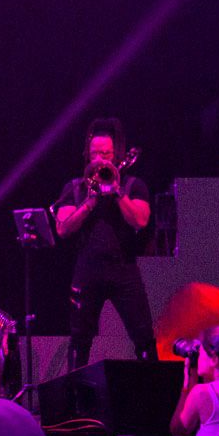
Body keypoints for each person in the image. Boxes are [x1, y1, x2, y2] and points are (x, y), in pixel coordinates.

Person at [52, 117, 155, 369]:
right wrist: (90, 202)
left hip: (124, 270)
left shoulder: (133, 185)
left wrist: (117, 191)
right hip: (87, 270)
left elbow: (140, 220)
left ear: (115, 154)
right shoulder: (75, 188)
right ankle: (76, 402)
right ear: (88, 155)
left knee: (143, 337)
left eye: (106, 153)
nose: (101, 159)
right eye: (96, 153)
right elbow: (63, 229)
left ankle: (155, 397)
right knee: (80, 339)